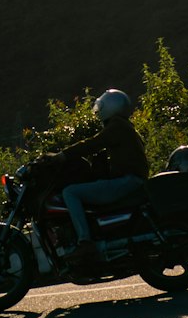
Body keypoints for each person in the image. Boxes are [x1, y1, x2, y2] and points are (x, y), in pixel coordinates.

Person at [59, 89, 148, 263]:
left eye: (102, 105)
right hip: (130, 179)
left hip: (128, 181)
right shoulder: (122, 126)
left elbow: (93, 143)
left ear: (112, 106)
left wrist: (63, 155)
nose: (98, 110)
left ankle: (85, 241)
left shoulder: (117, 126)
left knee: (70, 192)